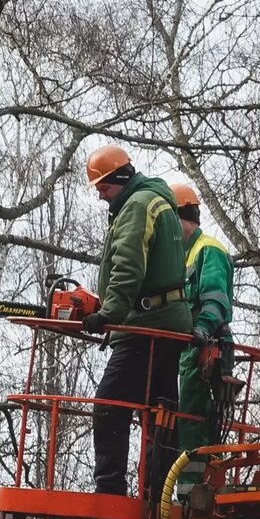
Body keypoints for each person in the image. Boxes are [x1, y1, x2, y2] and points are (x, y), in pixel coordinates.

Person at [82, 145, 192, 497]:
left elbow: (128, 266)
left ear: (120, 178)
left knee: (109, 406)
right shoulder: (158, 201)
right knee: (160, 414)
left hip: (147, 326)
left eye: (103, 188)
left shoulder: (136, 205)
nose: (101, 196)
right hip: (169, 325)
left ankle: (110, 488)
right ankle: (157, 491)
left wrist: (109, 314)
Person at [169, 183, 234, 502]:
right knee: (176, 421)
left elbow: (215, 299)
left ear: (182, 217)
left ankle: (193, 494)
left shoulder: (209, 250)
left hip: (206, 348)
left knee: (195, 421)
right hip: (185, 350)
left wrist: (202, 328)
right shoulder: (175, 258)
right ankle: (178, 490)